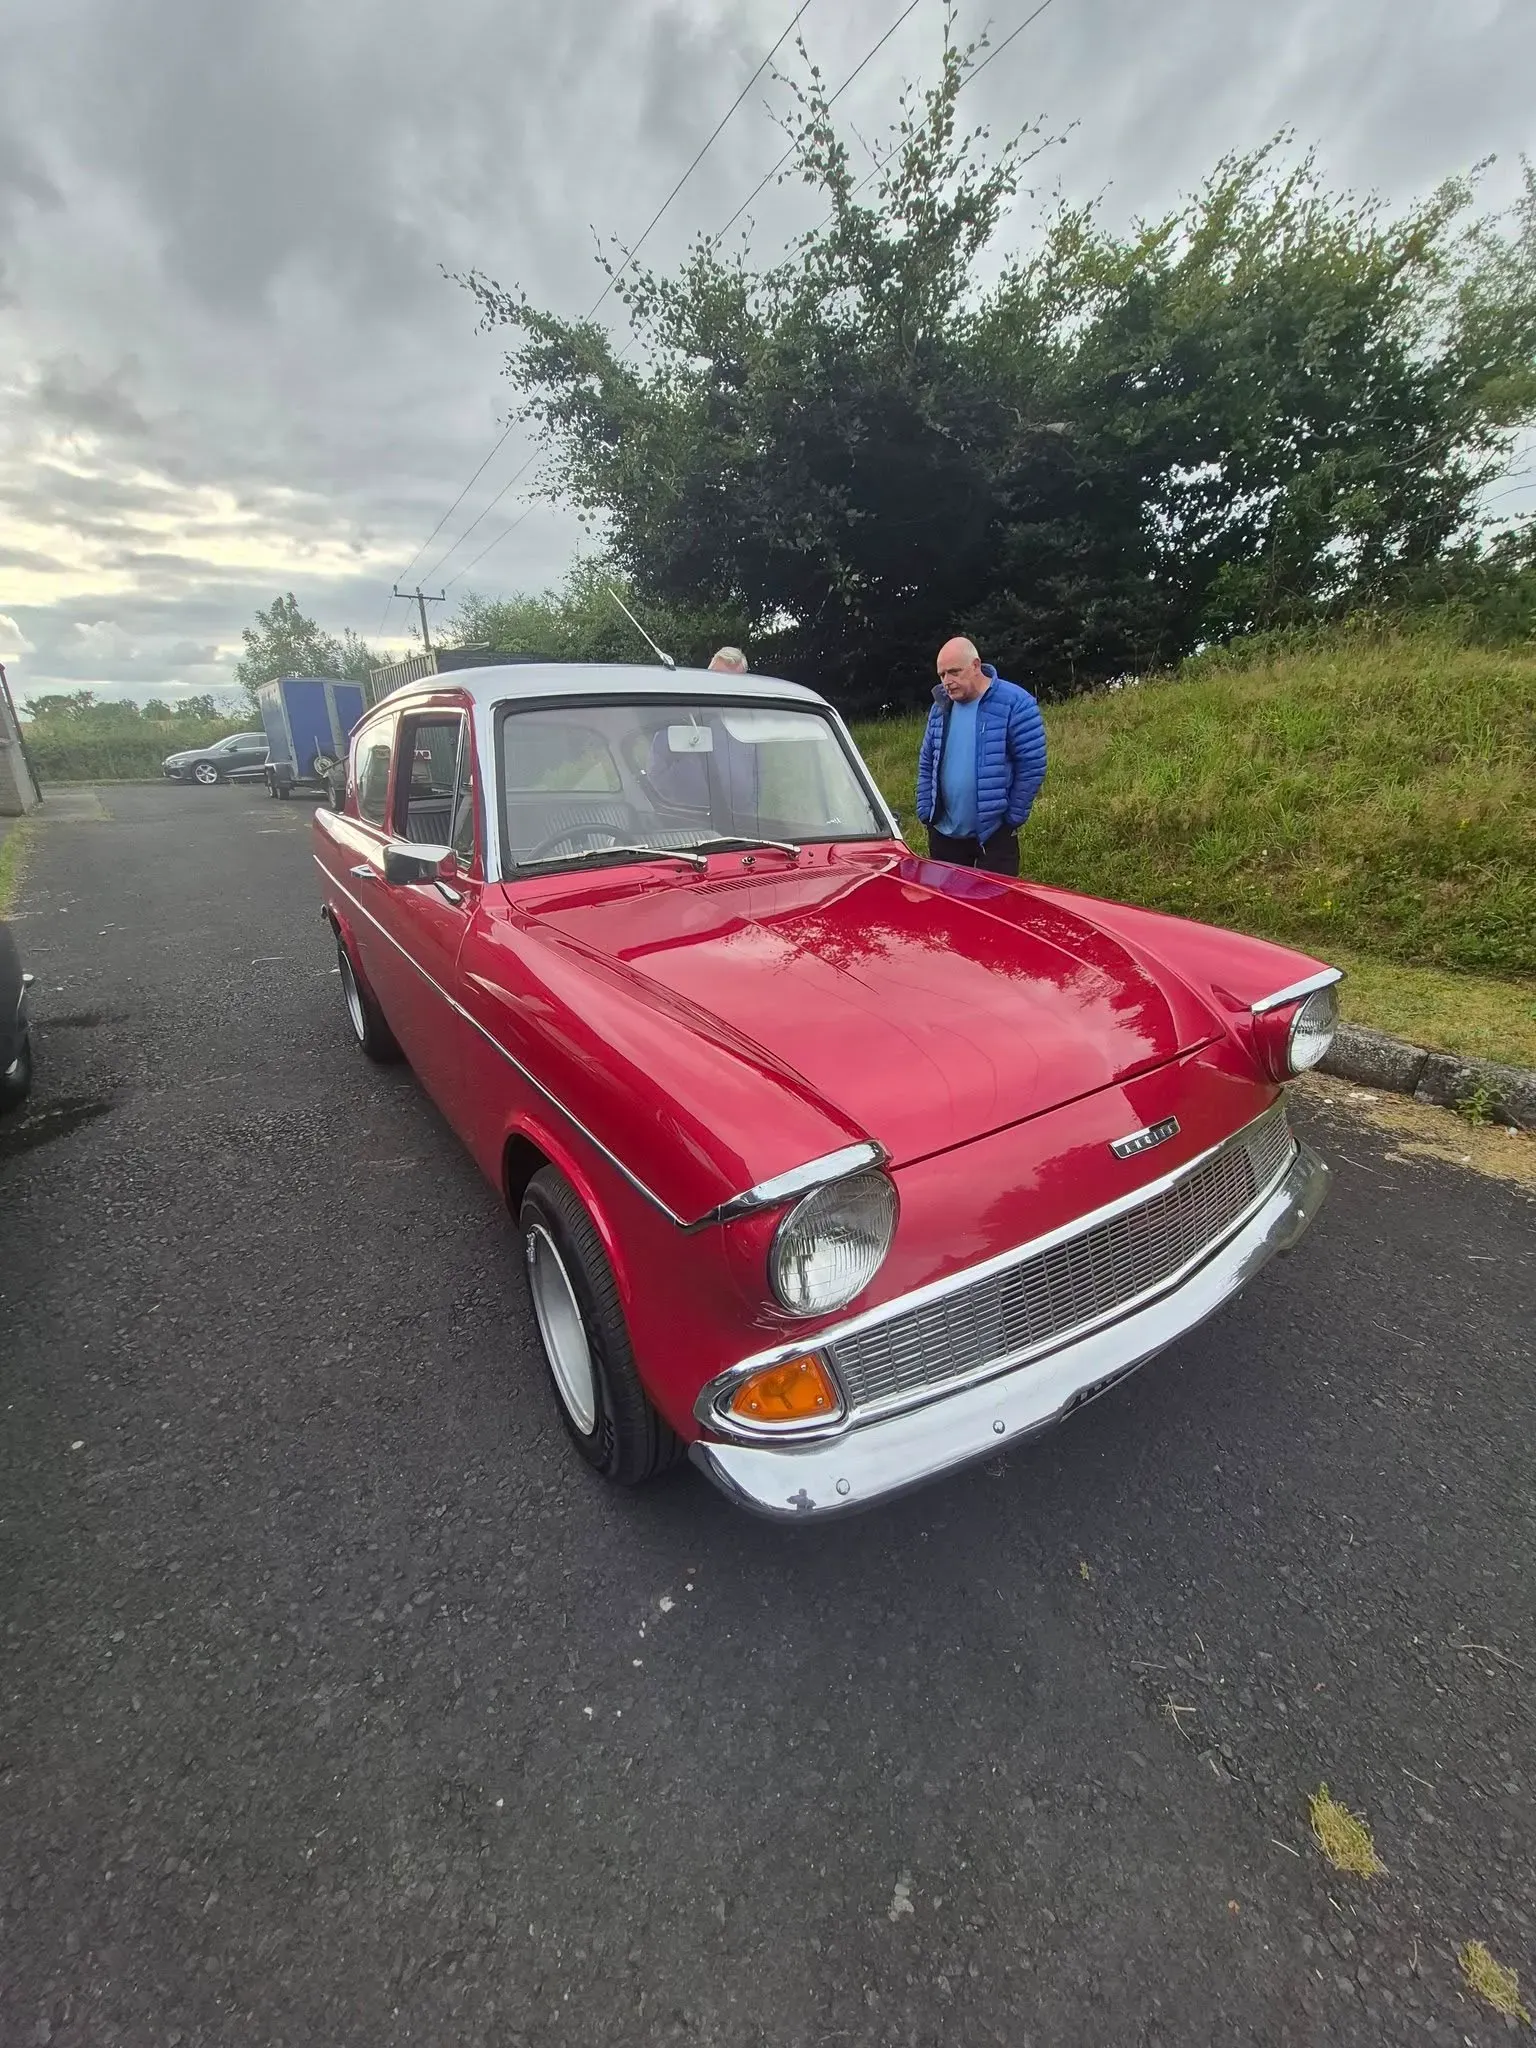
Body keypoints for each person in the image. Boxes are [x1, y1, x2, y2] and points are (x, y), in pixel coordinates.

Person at [915, 637, 1046, 876]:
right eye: (942, 675)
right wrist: (926, 810)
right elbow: (926, 761)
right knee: (948, 908)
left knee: (996, 906)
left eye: (954, 672)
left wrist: (1011, 819)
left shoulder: (1016, 703)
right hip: (944, 834)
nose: (947, 682)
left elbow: (1032, 766)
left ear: (975, 666)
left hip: (994, 835)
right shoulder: (940, 707)